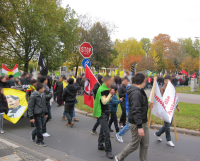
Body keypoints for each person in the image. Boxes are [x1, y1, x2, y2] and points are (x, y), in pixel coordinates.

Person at [115, 73, 151, 161]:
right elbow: (136, 110)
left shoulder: (139, 90)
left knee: (145, 144)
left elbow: (139, 106)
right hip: (136, 123)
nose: (145, 82)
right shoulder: (135, 92)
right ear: (142, 81)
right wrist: (139, 127)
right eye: (145, 80)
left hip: (143, 120)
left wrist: (148, 106)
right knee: (134, 145)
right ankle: (119, 157)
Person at [154, 75, 180, 147]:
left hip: (171, 109)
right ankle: (168, 140)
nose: (165, 82)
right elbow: (161, 99)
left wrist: (177, 106)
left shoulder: (172, 88)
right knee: (167, 125)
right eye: (165, 81)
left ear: (170, 80)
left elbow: (174, 98)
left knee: (168, 124)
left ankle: (158, 133)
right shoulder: (162, 89)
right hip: (165, 109)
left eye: (167, 80)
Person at [93, 75, 115, 159]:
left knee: (103, 129)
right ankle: (108, 151)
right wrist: (110, 94)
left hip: (105, 111)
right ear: (106, 81)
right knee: (106, 132)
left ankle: (100, 145)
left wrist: (111, 94)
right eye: (111, 81)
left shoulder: (105, 89)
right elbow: (104, 101)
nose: (112, 82)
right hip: (102, 112)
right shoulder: (102, 89)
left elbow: (107, 100)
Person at [116, 77, 136, 143]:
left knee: (132, 124)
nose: (126, 82)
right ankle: (119, 133)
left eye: (127, 81)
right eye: (125, 80)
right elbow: (120, 95)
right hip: (127, 106)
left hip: (131, 108)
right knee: (129, 124)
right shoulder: (127, 88)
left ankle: (136, 138)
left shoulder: (130, 88)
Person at [29, 82, 48, 147]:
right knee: (39, 127)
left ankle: (33, 133)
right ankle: (39, 141)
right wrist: (31, 117)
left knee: (41, 126)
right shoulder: (33, 96)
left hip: (42, 113)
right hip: (37, 114)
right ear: (40, 89)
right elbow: (30, 106)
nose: (44, 89)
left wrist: (46, 112)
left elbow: (44, 104)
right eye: (43, 88)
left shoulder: (43, 95)